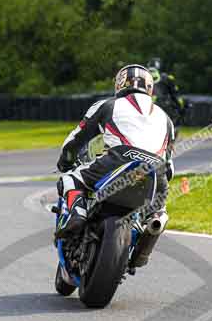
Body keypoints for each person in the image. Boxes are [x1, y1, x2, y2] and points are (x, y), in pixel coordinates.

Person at [55, 64, 175, 239]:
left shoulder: (107, 105)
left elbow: (76, 140)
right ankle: (155, 223)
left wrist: (65, 161)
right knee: (159, 208)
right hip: (156, 170)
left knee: (70, 179)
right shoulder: (166, 119)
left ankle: (77, 215)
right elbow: (170, 166)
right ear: (150, 87)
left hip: (118, 161)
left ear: (120, 83)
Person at [147, 59, 188, 126]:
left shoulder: (141, 77)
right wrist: (180, 107)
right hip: (163, 106)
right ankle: (174, 128)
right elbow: (175, 94)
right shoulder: (167, 77)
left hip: (147, 106)